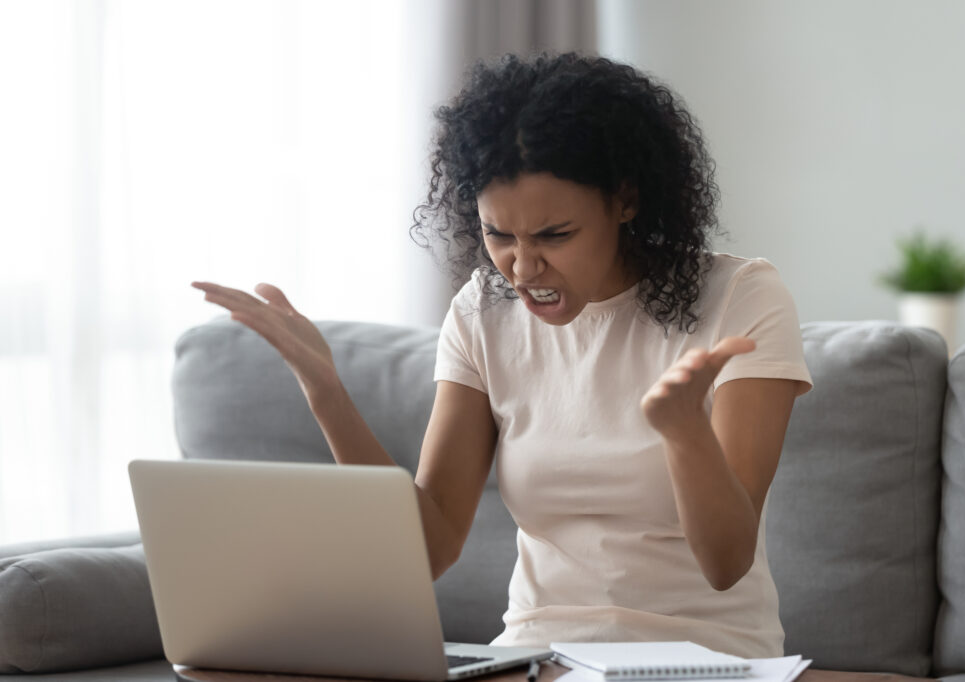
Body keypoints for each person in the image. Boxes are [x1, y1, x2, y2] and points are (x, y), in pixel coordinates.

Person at [192, 52, 812, 659]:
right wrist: (325, 389)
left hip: (705, 661)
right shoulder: (481, 311)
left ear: (626, 200)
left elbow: (727, 562)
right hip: (534, 658)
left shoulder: (741, 298)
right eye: (499, 235)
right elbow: (428, 548)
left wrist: (683, 432)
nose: (523, 266)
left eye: (554, 235)